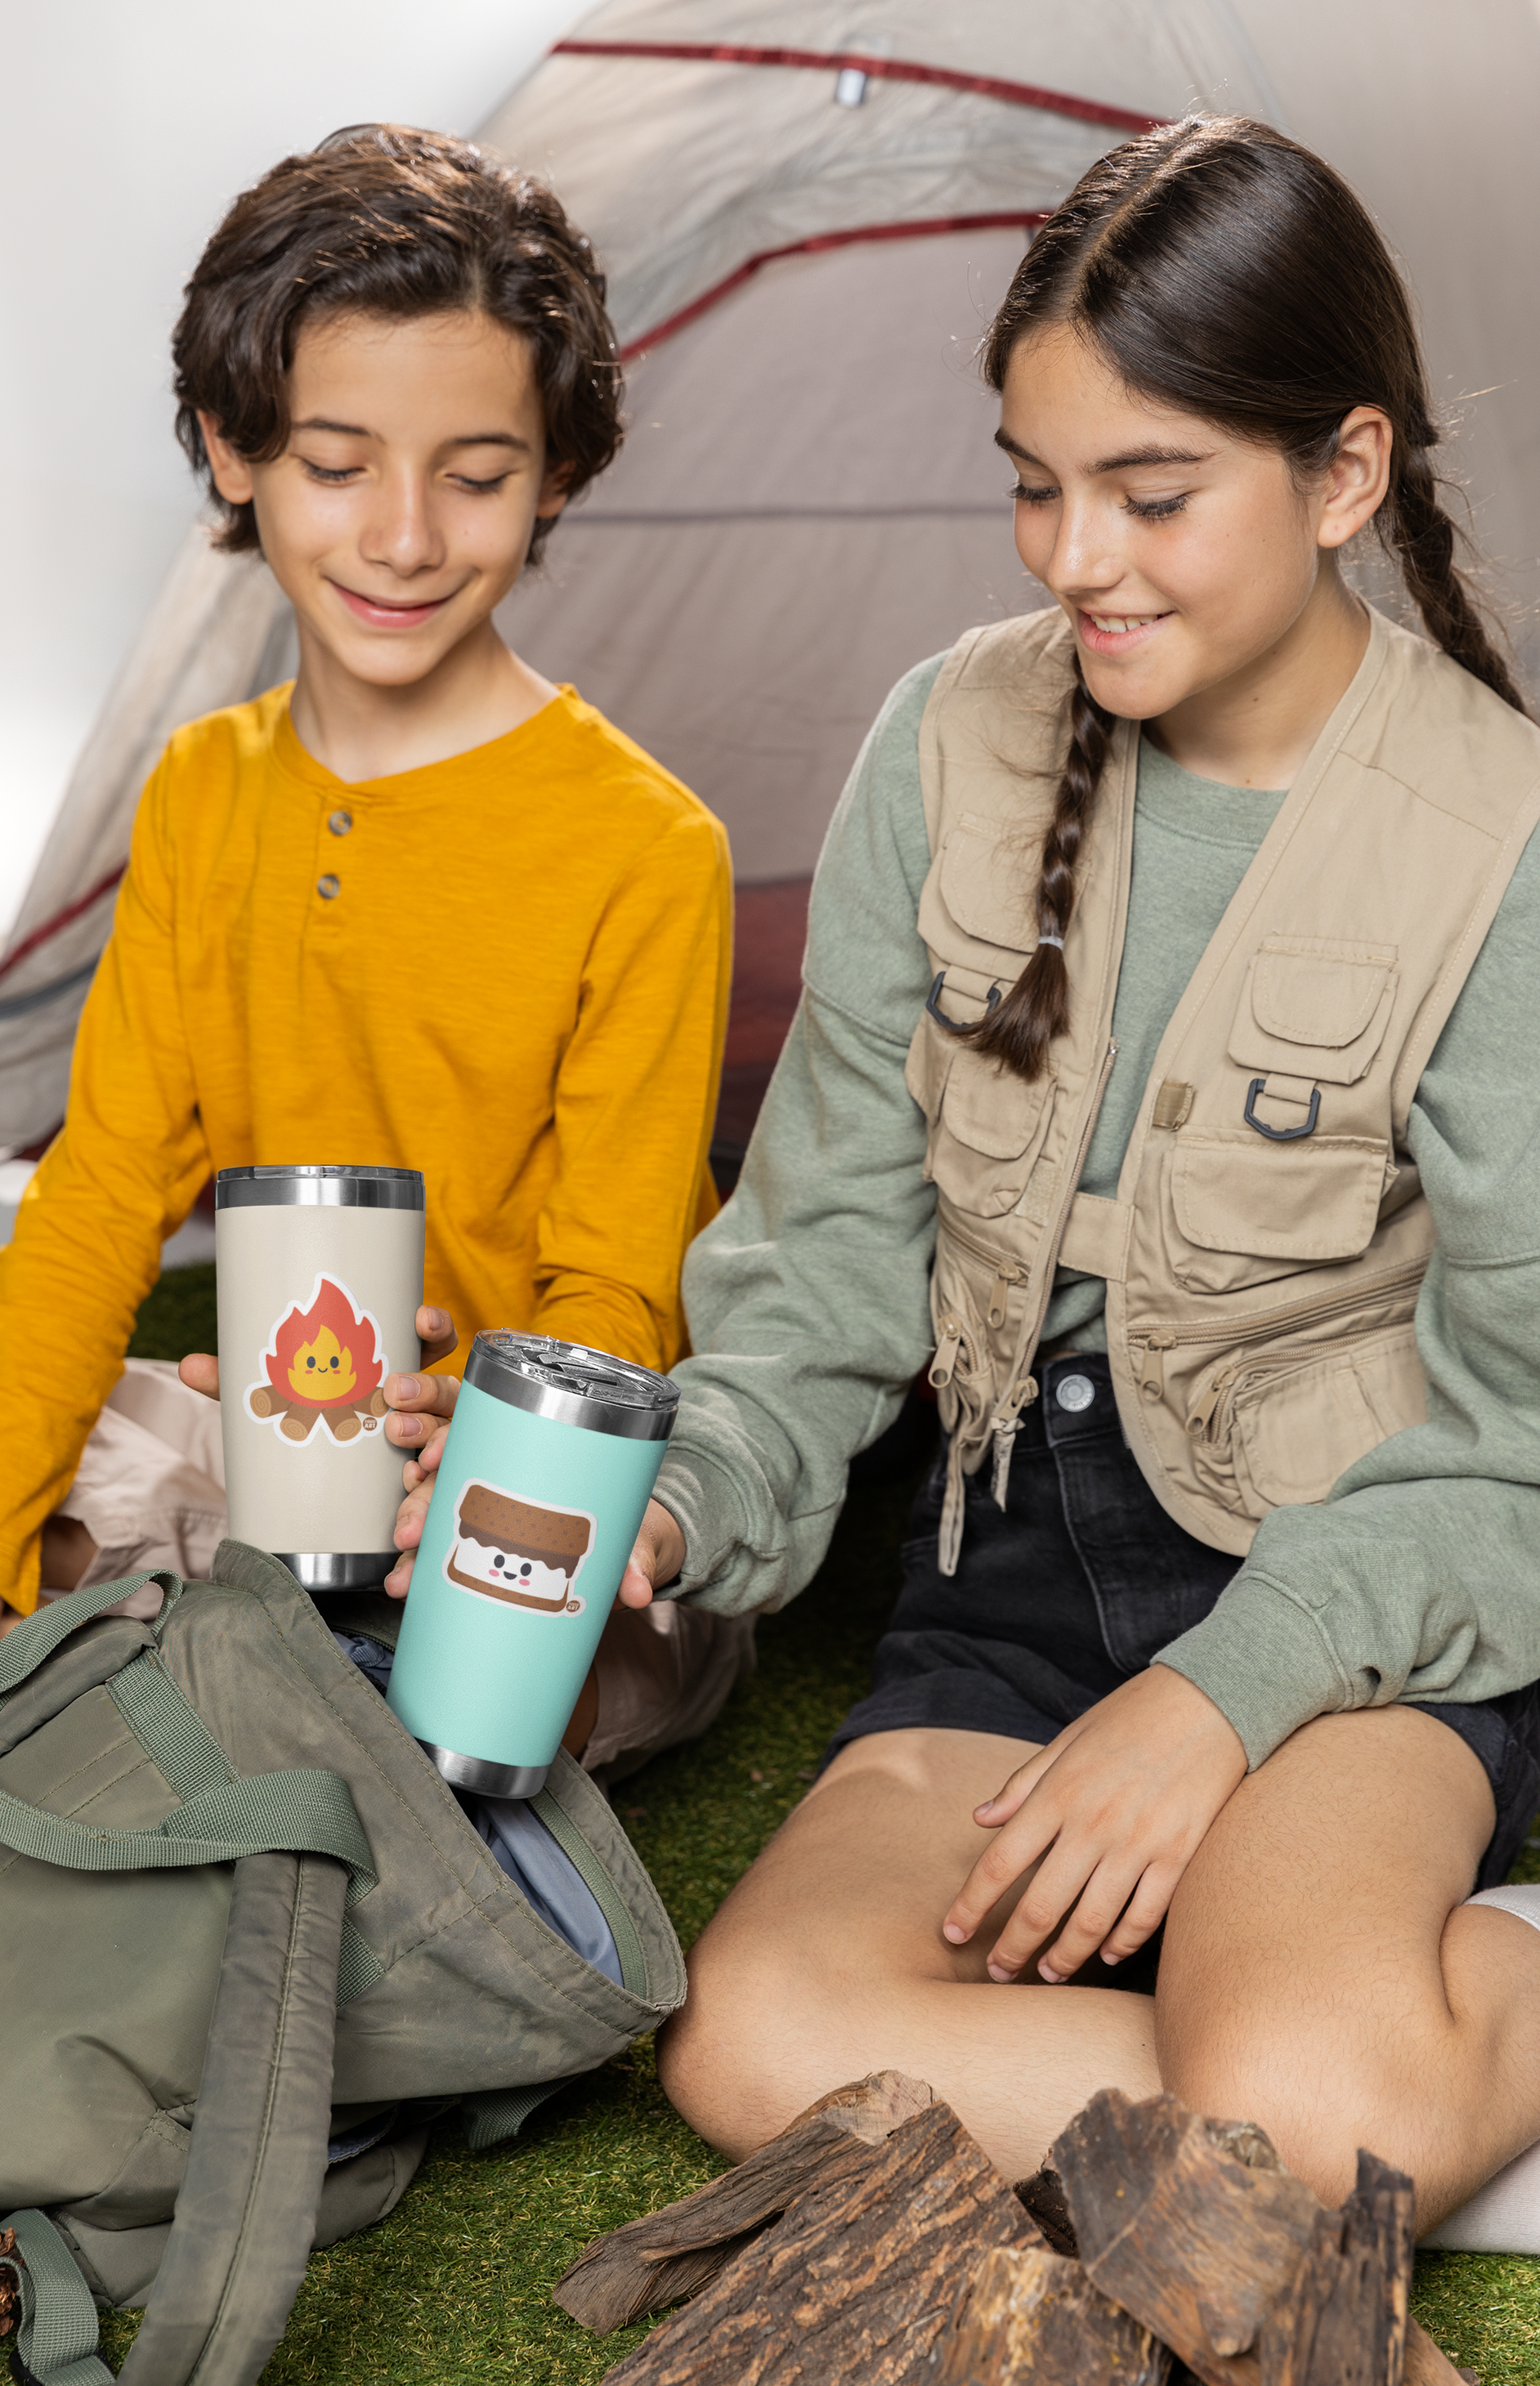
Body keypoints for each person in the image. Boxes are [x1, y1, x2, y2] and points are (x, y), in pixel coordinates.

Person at [396, 114, 1540, 2232]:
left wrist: (1215, 1700)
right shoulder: (944, 745)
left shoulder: (1504, 832)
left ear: (1345, 476)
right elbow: (824, 1261)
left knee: (1278, 2115)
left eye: (1152, 490)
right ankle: (1346, 2089)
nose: (1070, 556)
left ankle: (1383, 2043)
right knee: (750, 2035)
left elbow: (1518, 1435)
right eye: (1034, 483)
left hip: (1351, 1591)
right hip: (1009, 1583)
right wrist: (682, 1498)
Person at [0, 126, 751, 1778]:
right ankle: (216, 1632)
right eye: (336, 463)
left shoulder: (646, 846)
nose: (403, 536)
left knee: (505, 1655)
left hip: (529, 1478)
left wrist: (470, 1452)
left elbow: (614, 1295)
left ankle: (311, 1679)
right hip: (274, 1435)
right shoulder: (202, 791)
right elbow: (103, 1193)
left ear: (555, 476)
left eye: (474, 475)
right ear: (229, 451)